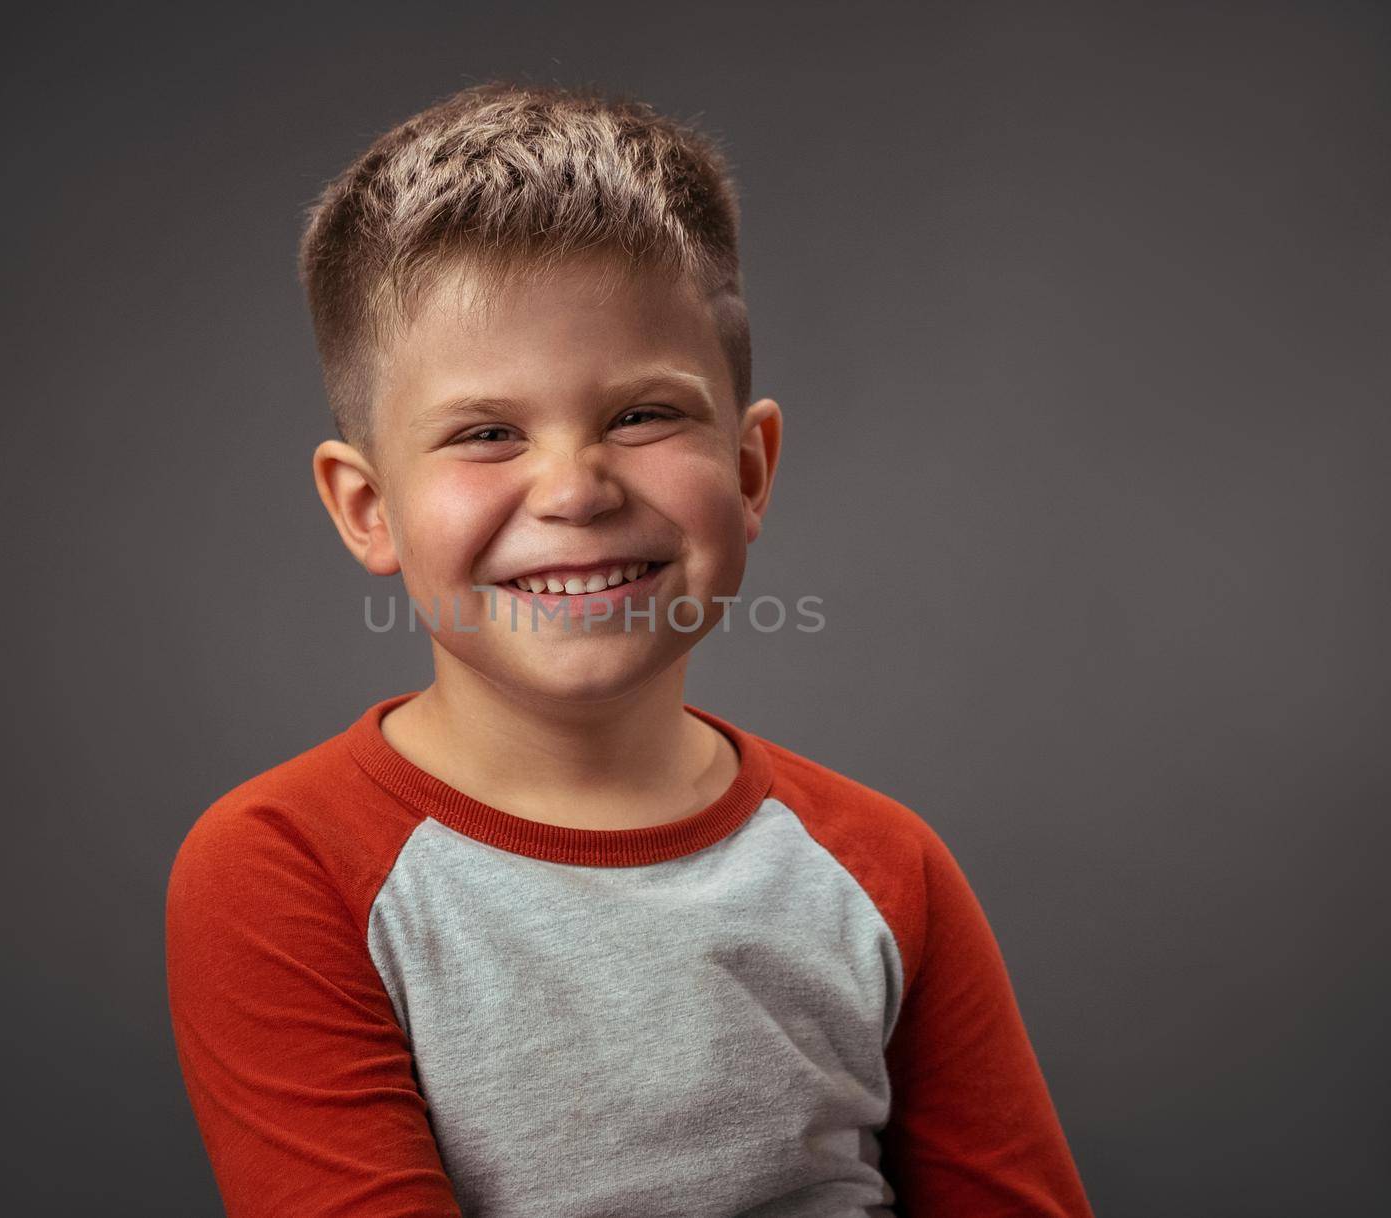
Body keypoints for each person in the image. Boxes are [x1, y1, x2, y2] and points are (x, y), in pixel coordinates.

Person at [165, 79, 1094, 1218]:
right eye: (486, 434)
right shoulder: (281, 865)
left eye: (641, 415)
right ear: (367, 509)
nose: (573, 490)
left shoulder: (884, 866)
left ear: (748, 472)